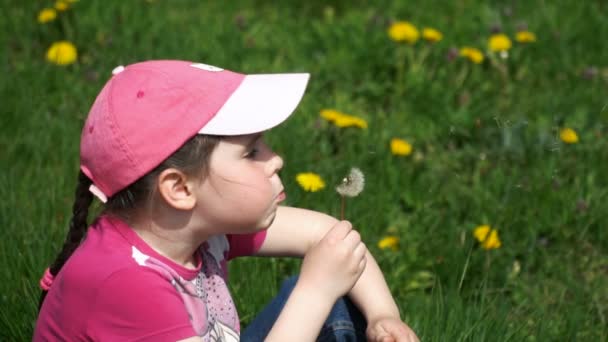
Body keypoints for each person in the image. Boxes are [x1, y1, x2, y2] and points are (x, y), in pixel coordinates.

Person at [34, 60, 419, 342]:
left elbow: (329, 237)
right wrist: (314, 290)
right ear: (180, 189)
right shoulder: (128, 283)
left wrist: (383, 314)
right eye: (252, 152)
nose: (277, 159)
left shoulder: (190, 227)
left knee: (339, 297)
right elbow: (319, 281)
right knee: (320, 293)